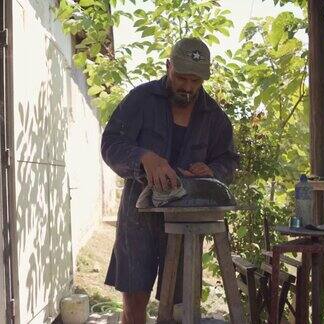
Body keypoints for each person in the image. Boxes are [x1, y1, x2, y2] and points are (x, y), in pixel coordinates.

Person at [101, 37, 239, 323]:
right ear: (168, 66)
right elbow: (111, 144)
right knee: (134, 304)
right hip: (139, 215)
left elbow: (229, 161)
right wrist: (143, 157)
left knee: (178, 306)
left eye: (195, 81)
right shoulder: (140, 99)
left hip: (185, 220)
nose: (187, 88)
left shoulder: (214, 117)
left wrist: (212, 170)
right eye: (181, 78)